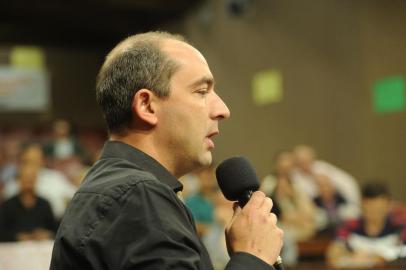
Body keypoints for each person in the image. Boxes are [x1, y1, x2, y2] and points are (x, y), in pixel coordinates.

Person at [50, 31, 284, 269]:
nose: (223, 109)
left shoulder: (121, 189)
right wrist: (252, 257)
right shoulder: (137, 197)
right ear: (147, 106)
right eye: (202, 91)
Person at [327, 181, 406, 268]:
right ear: (362, 205)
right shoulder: (349, 227)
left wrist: (385, 258)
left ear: (388, 205)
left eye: (379, 209)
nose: (375, 214)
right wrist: (349, 256)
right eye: (371, 209)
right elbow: (334, 252)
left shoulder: (400, 227)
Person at [0, 164, 57, 242]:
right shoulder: (8, 205)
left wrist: (47, 234)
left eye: (32, 178)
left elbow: (56, 230)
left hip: (41, 249)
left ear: (36, 180)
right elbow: (2, 233)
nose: (29, 181)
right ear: (18, 180)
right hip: (13, 251)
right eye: (26, 177)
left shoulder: (45, 204)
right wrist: (16, 237)